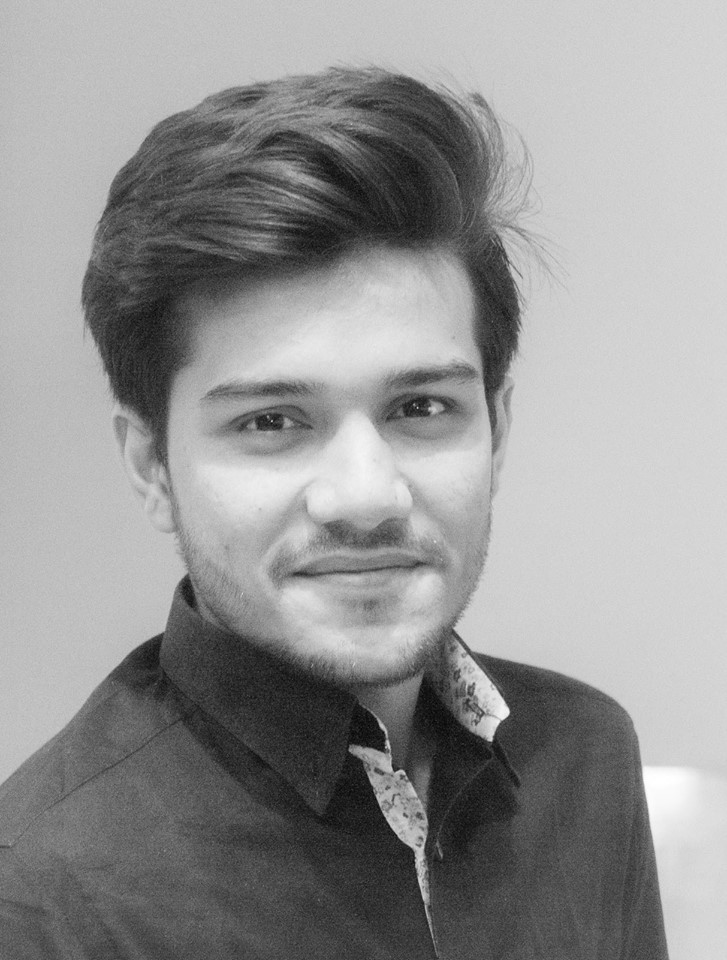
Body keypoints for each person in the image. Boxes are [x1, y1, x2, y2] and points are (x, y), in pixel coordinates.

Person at [0, 66, 668, 959]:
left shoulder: (583, 760)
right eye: (271, 422)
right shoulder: (42, 897)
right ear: (152, 465)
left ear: (496, 429)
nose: (364, 497)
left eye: (421, 407)